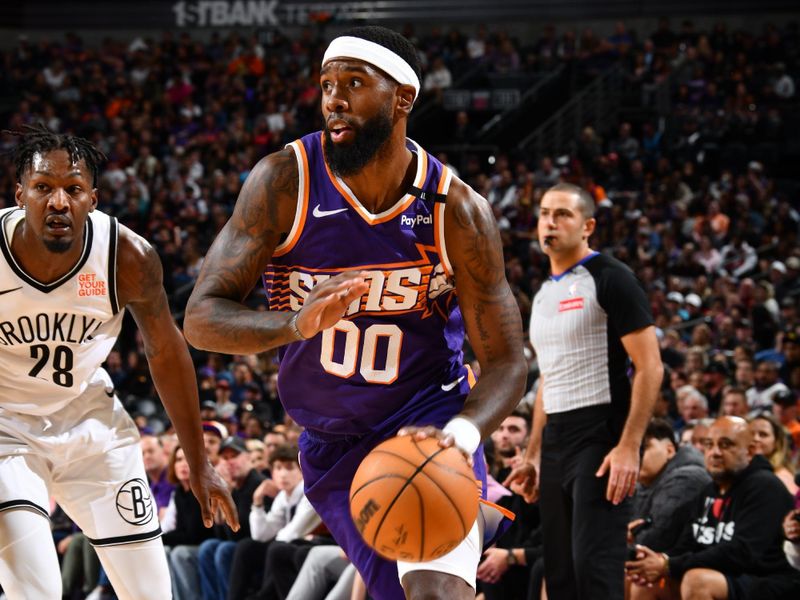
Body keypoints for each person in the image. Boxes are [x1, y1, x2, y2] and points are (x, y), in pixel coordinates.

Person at [184, 25, 526, 600]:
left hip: (426, 424)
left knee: (437, 590)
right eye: (326, 84)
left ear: (402, 99)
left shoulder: (456, 210)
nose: (333, 98)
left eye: (353, 83)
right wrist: (294, 325)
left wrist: (460, 436)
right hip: (331, 447)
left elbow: (506, 360)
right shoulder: (285, 180)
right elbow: (200, 318)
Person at [0, 125, 237, 600]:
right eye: (44, 188)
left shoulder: (127, 256)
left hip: (91, 420)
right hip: (7, 425)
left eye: (73, 189)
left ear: (93, 197)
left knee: (152, 592)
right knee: (36, 589)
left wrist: (199, 462)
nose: (59, 202)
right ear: (20, 193)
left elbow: (167, 354)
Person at [504, 182, 663, 599]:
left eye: (562, 214)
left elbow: (650, 367)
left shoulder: (611, 277)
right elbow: (547, 380)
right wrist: (534, 453)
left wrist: (630, 445)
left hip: (601, 433)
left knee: (594, 567)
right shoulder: (542, 295)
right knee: (560, 574)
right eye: (543, 214)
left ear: (588, 225)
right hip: (556, 438)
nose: (549, 223)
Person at [625, 416, 800, 599]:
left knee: (697, 581)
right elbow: (687, 544)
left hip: (768, 579)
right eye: (709, 445)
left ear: (750, 451)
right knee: (646, 583)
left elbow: (742, 553)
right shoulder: (709, 490)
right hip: (727, 576)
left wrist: (669, 565)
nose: (714, 452)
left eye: (725, 445)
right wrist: (657, 561)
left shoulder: (765, 486)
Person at [629, 418, 710, 553]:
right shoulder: (641, 482)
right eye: (632, 450)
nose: (636, 456)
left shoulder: (687, 478)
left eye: (643, 448)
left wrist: (624, 539)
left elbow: (655, 541)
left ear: (670, 450)